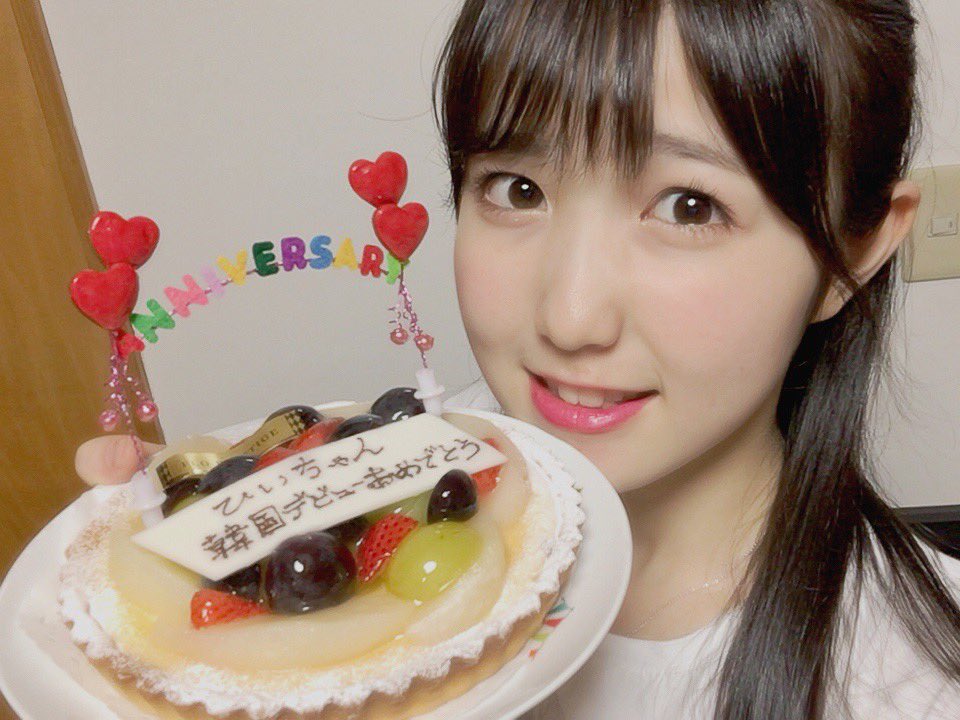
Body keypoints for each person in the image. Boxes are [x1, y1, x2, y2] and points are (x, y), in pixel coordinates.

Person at [75, 0, 960, 718]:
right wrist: (178, 596)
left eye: (689, 206)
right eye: (518, 188)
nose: (570, 318)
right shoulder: (386, 491)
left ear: (854, 252)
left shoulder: (916, 686)